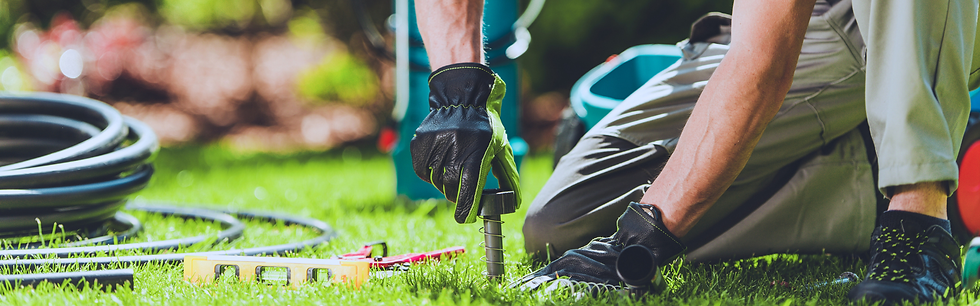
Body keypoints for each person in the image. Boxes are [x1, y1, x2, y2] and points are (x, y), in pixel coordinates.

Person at [408, 0, 979, 303]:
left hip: (921, 15)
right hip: (807, 31)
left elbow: (765, 62)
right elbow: (758, 48)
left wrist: (645, 235)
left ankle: (918, 209)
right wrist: (457, 84)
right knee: (560, 224)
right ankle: (901, 158)